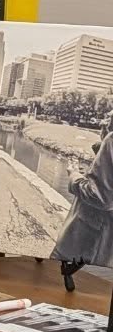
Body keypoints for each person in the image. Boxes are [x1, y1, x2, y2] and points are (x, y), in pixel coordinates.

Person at [53, 112, 113, 267]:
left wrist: (74, 176)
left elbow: (100, 197)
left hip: (86, 241)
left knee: (53, 275)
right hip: (106, 251)